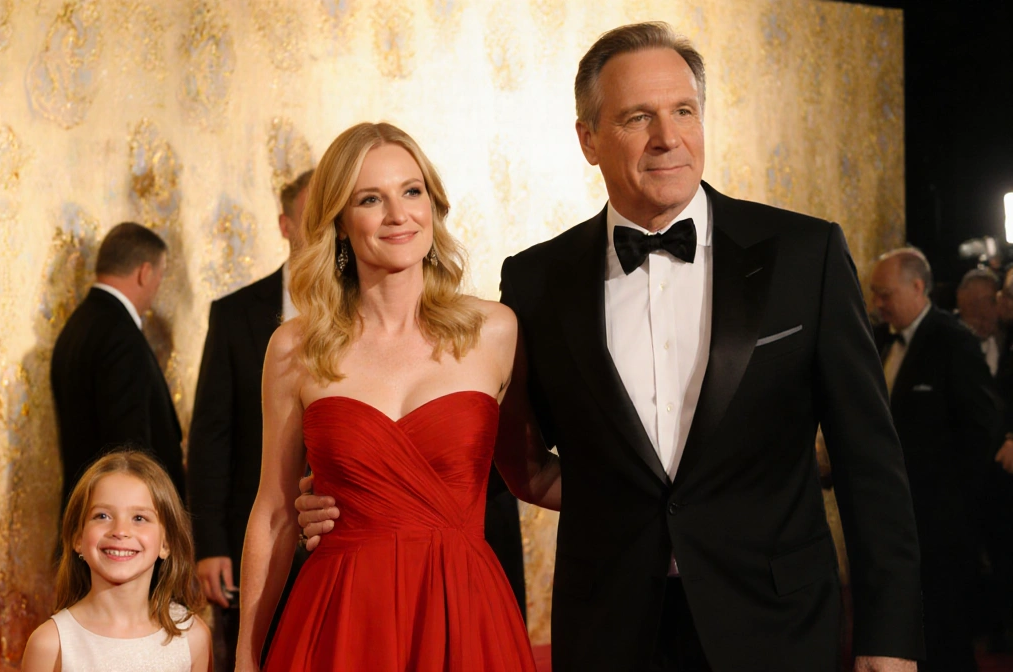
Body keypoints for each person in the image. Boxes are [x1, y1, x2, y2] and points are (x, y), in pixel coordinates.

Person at [298, 22, 924, 671]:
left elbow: (870, 461)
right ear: (588, 139)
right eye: (638, 117)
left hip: (778, 628)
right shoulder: (536, 281)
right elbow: (498, 452)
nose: (668, 137)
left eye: (684, 111)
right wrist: (345, 489)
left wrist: (890, 641)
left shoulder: (804, 254)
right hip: (610, 631)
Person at [235, 122, 536, 671]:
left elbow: (529, 470)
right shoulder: (295, 348)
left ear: (432, 205)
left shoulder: (495, 331)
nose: (399, 215)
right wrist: (245, 656)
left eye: (411, 191)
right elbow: (274, 512)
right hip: (342, 618)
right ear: (340, 223)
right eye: (371, 199)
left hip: (462, 613)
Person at [186, 169, 314, 670]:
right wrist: (211, 544)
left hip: (343, 541)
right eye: (312, 215)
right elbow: (210, 438)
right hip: (253, 537)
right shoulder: (234, 314)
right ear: (285, 225)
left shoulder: (370, 308)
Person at [870, 248, 1000, 671]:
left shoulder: (953, 341)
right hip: (893, 520)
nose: (877, 303)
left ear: (917, 287)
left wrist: (956, 507)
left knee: (946, 638)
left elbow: (982, 430)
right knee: (904, 634)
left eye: (885, 294)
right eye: (874, 293)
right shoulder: (880, 340)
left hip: (941, 524)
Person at [21, 450, 211, 672]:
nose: (120, 531)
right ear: (78, 538)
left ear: (166, 543)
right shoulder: (50, 645)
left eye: (139, 518)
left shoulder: (192, 637)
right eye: (102, 516)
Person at [50, 222, 185, 510]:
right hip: (117, 519)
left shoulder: (76, 326)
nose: (157, 287)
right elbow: (129, 451)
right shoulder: (121, 337)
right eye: (160, 276)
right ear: (145, 273)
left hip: (87, 511)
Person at [956, 266, 1002, 376]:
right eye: (974, 304)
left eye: (989, 302)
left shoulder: (1005, 342)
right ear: (960, 301)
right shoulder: (946, 337)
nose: (982, 311)